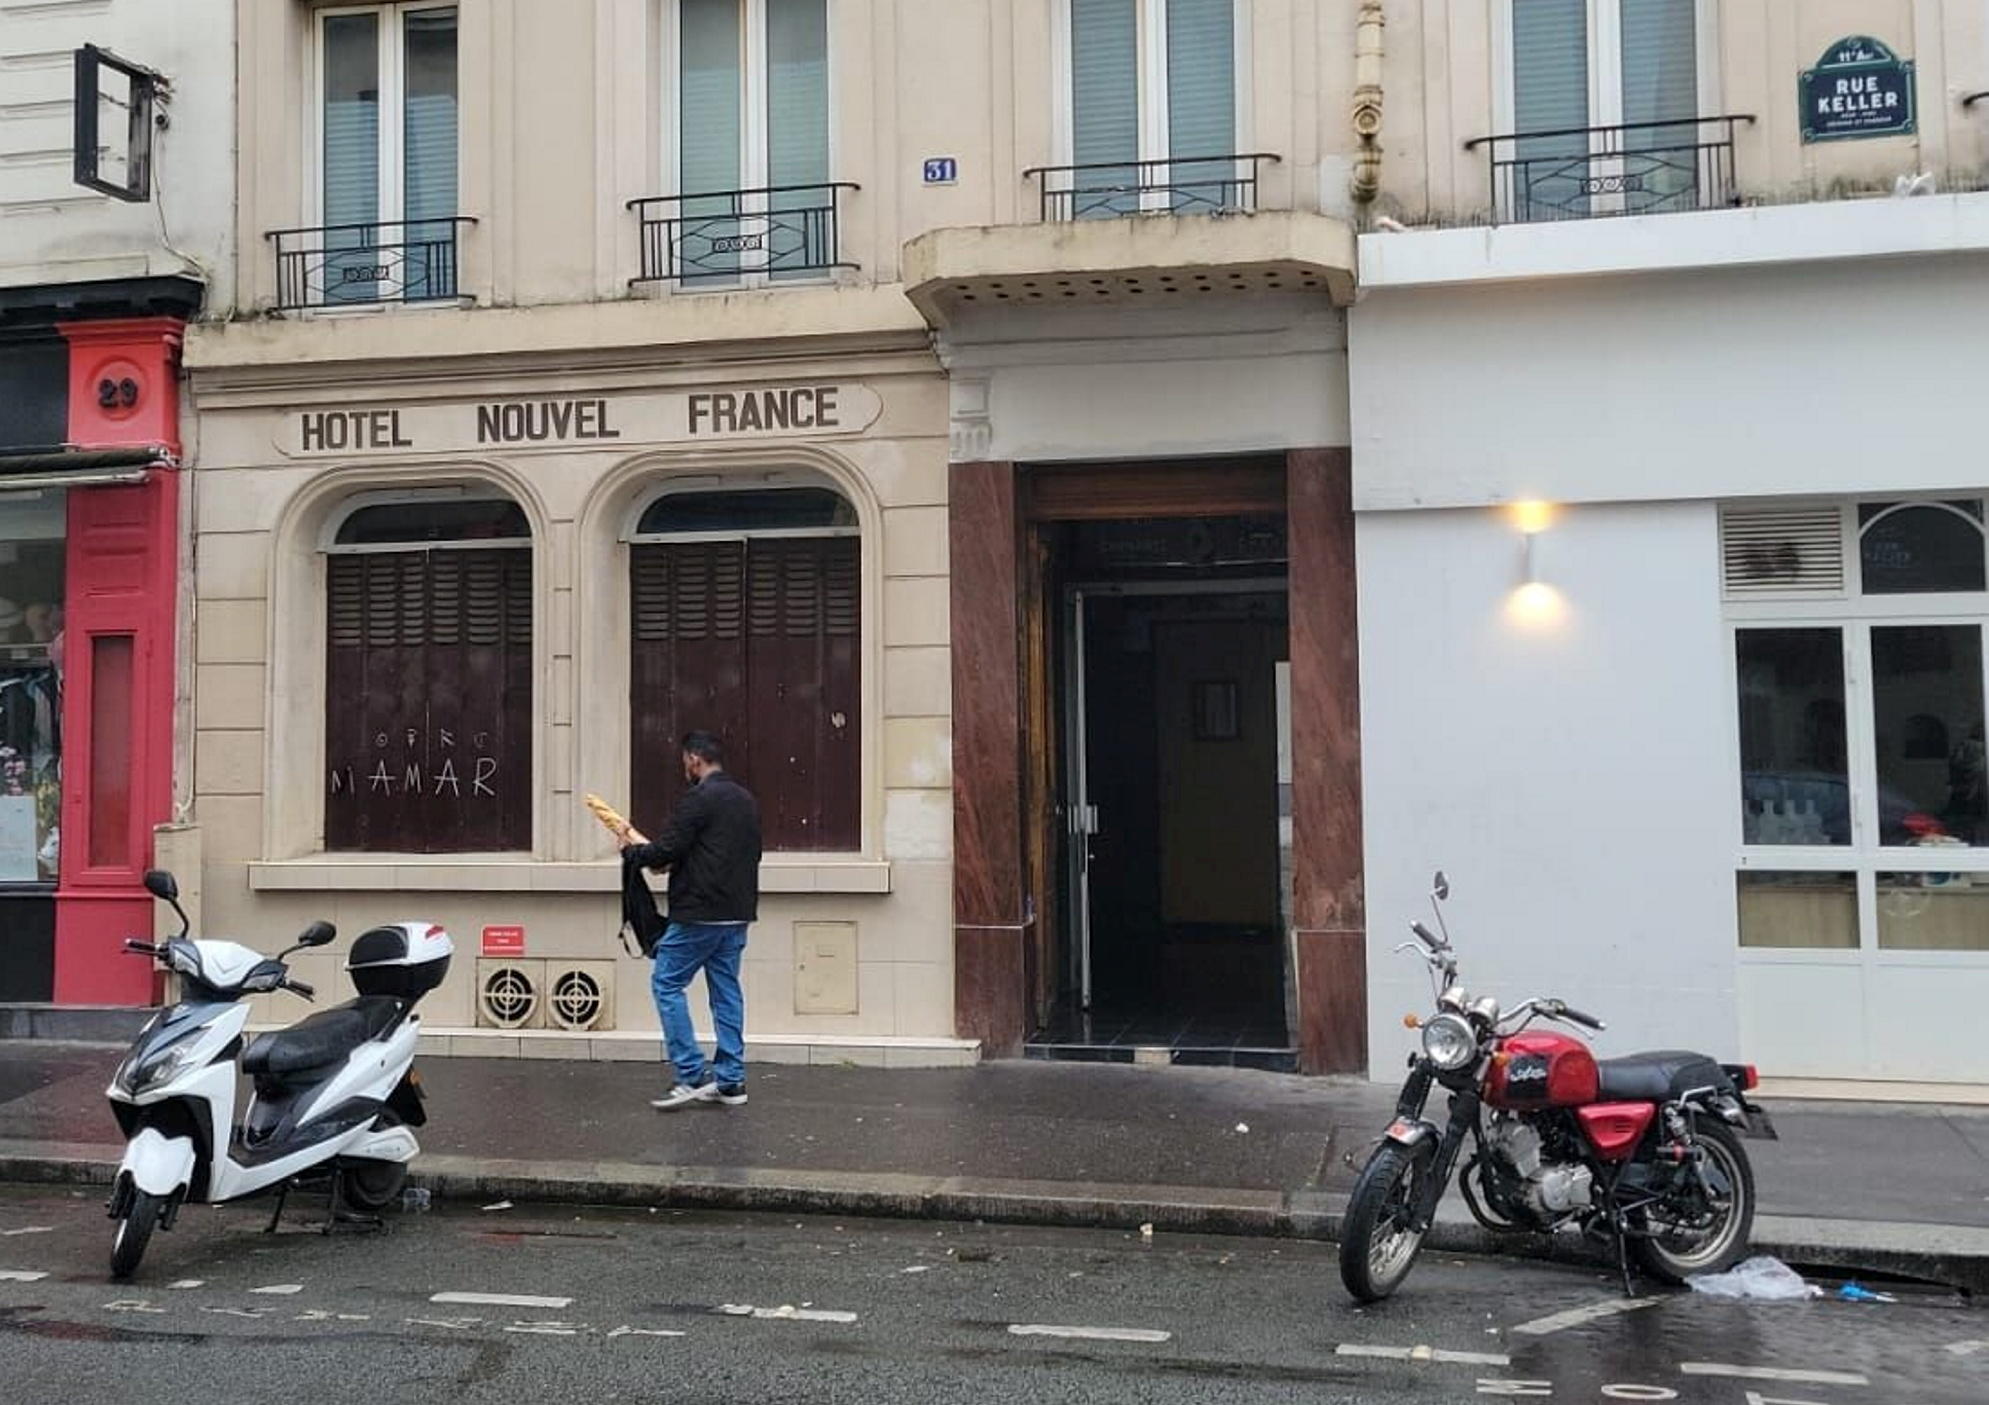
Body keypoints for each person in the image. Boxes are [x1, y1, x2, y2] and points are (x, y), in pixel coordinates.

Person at [618, 731, 761, 1111]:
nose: (685, 767)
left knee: (666, 982)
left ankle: (691, 1074)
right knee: (726, 991)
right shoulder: (745, 800)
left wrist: (633, 851)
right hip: (737, 912)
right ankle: (731, 1080)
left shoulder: (698, 799)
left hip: (698, 913)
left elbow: (668, 849)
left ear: (695, 759)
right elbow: (720, 853)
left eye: (685, 760)